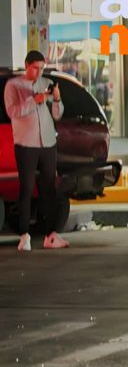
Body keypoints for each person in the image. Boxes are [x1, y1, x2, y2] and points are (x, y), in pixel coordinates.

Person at [3, 50, 68, 251]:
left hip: (47, 142)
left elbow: (57, 115)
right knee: (27, 188)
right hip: (26, 144)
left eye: (41, 68)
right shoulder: (13, 85)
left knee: (49, 188)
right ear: (27, 65)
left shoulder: (44, 83)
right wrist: (34, 100)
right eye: (35, 68)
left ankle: (50, 235)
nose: (39, 72)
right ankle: (24, 235)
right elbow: (13, 111)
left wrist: (56, 99)